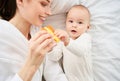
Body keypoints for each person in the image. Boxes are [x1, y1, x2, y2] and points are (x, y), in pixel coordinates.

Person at [0, 0, 57, 81]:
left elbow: (53, 70)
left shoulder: (37, 32)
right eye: (43, 4)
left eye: (50, 6)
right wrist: (32, 64)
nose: (49, 12)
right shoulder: (3, 34)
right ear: (20, 1)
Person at [45, 5, 93, 81]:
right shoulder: (63, 41)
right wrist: (50, 48)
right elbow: (55, 57)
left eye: (80, 22)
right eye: (70, 21)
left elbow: (81, 51)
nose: (74, 25)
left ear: (87, 27)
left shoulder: (85, 37)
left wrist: (67, 41)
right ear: (66, 23)